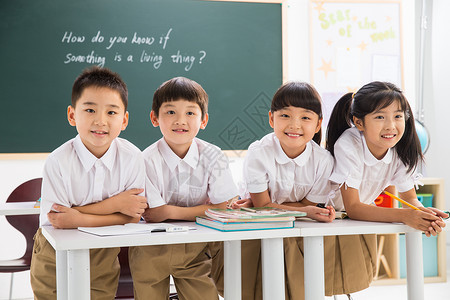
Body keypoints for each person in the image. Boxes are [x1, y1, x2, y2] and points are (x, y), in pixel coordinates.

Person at [30, 66, 147, 300]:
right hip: (54, 253)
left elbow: (132, 217)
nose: (100, 121)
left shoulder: (133, 157)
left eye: (111, 113)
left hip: (103, 255)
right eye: (90, 109)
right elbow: (59, 221)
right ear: (72, 115)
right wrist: (115, 204)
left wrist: (77, 217)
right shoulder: (58, 161)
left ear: (124, 120)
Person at [212, 81, 336, 300]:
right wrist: (297, 209)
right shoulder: (258, 153)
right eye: (285, 115)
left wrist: (267, 205)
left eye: (305, 117)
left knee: (300, 287)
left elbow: (302, 206)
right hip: (256, 231)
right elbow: (272, 207)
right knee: (256, 288)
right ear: (271, 119)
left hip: (298, 232)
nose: (294, 125)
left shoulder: (323, 160)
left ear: (318, 125)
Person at [325, 81, 448, 296]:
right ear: (359, 123)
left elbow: (411, 198)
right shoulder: (349, 143)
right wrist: (406, 215)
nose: (391, 125)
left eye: (398, 116)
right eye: (380, 117)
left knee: (349, 281)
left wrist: (423, 214)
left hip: (351, 221)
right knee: (322, 281)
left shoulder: (399, 148)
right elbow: (353, 206)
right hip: (324, 216)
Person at [128, 77, 239, 300]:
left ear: (204, 119)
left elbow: (223, 208)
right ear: (154, 118)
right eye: (170, 112)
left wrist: (170, 211)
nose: (180, 120)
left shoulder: (213, 155)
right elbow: (154, 215)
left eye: (190, 113)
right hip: (150, 247)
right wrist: (203, 209)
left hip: (195, 248)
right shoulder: (144, 160)